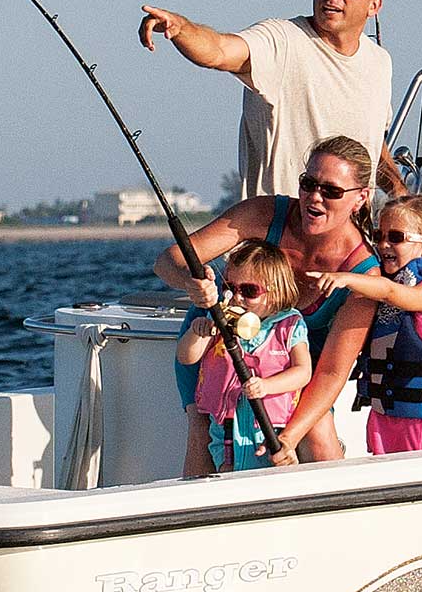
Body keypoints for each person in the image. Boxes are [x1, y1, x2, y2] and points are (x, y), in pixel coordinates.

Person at [155, 135, 382, 467]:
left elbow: (332, 372)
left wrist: (288, 438)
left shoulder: (363, 275)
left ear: (360, 198)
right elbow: (167, 262)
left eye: (330, 191)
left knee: (318, 430)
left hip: (291, 364)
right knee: (203, 430)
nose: (314, 197)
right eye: (308, 184)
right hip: (217, 346)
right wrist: (193, 286)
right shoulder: (264, 213)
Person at [139, 0, 402, 196]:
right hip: (281, 232)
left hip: (350, 232)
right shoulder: (282, 40)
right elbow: (218, 50)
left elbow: (372, 141)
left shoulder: (379, 62)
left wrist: (399, 191)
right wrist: (181, 29)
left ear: (374, 6)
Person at [310, 192, 422, 455]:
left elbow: (391, 293)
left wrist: (347, 278)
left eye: (396, 237)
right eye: (379, 236)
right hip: (384, 415)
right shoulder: (393, 279)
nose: (383, 245)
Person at [175, 240, 310, 474]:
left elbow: (303, 371)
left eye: (249, 291)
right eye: (230, 288)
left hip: (271, 429)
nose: (237, 298)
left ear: (275, 294)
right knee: (228, 472)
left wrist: (267, 385)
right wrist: (197, 332)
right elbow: (187, 357)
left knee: (272, 475)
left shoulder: (289, 325)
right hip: (227, 428)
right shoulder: (219, 320)